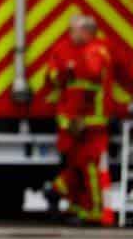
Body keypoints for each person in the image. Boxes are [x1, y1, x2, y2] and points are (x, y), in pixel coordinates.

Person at [46, 16, 112, 225]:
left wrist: (72, 68)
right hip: (73, 122)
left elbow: (90, 76)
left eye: (74, 30)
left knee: (89, 167)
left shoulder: (95, 51)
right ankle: (75, 205)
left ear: (86, 32)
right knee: (75, 165)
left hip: (90, 122)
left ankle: (93, 211)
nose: (70, 34)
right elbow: (52, 76)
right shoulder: (66, 49)